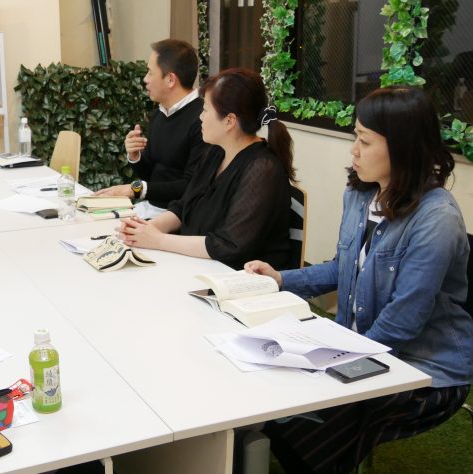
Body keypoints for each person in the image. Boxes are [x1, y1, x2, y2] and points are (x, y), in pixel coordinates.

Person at [245, 86, 472, 473]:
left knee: (313, 423)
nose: (353, 150)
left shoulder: (436, 220)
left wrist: (335, 364)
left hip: (425, 368)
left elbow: (403, 321)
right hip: (361, 345)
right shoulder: (360, 194)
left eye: (364, 141)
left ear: (403, 147)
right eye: (355, 137)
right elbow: (342, 268)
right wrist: (280, 278)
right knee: (272, 400)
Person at [117, 68, 294, 270]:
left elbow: (229, 245)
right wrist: (145, 229)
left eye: (205, 110)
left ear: (229, 121)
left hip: (237, 276)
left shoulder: (263, 169)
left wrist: (158, 240)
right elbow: (184, 205)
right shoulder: (216, 152)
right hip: (198, 264)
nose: (200, 117)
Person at [94, 39, 208, 219]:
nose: (145, 79)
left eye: (150, 72)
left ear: (170, 79)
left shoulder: (203, 119)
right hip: (149, 209)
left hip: (177, 219)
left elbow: (191, 185)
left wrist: (135, 189)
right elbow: (152, 176)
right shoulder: (160, 114)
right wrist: (135, 156)